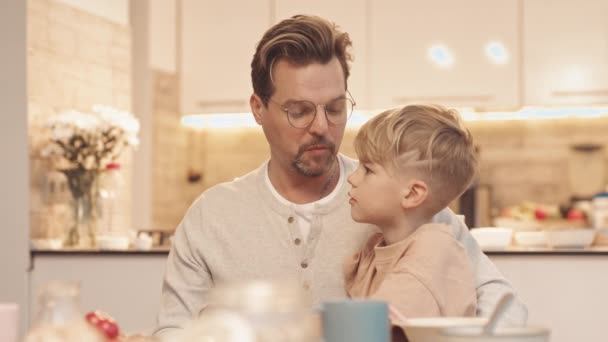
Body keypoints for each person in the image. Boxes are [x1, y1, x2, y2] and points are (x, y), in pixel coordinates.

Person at [154, 15, 527, 337]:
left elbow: (504, 308)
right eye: (299, 111)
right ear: (258, 108)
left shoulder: (405, 203)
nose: (321, 126)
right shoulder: (211, 217)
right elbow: (174, 331)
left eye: (334, 108)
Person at [344, 104, 478, 326]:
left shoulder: (433, 252)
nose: (352, 178)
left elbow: (370, 327)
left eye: (367, 170)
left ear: (412, 193)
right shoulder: (379, 248)